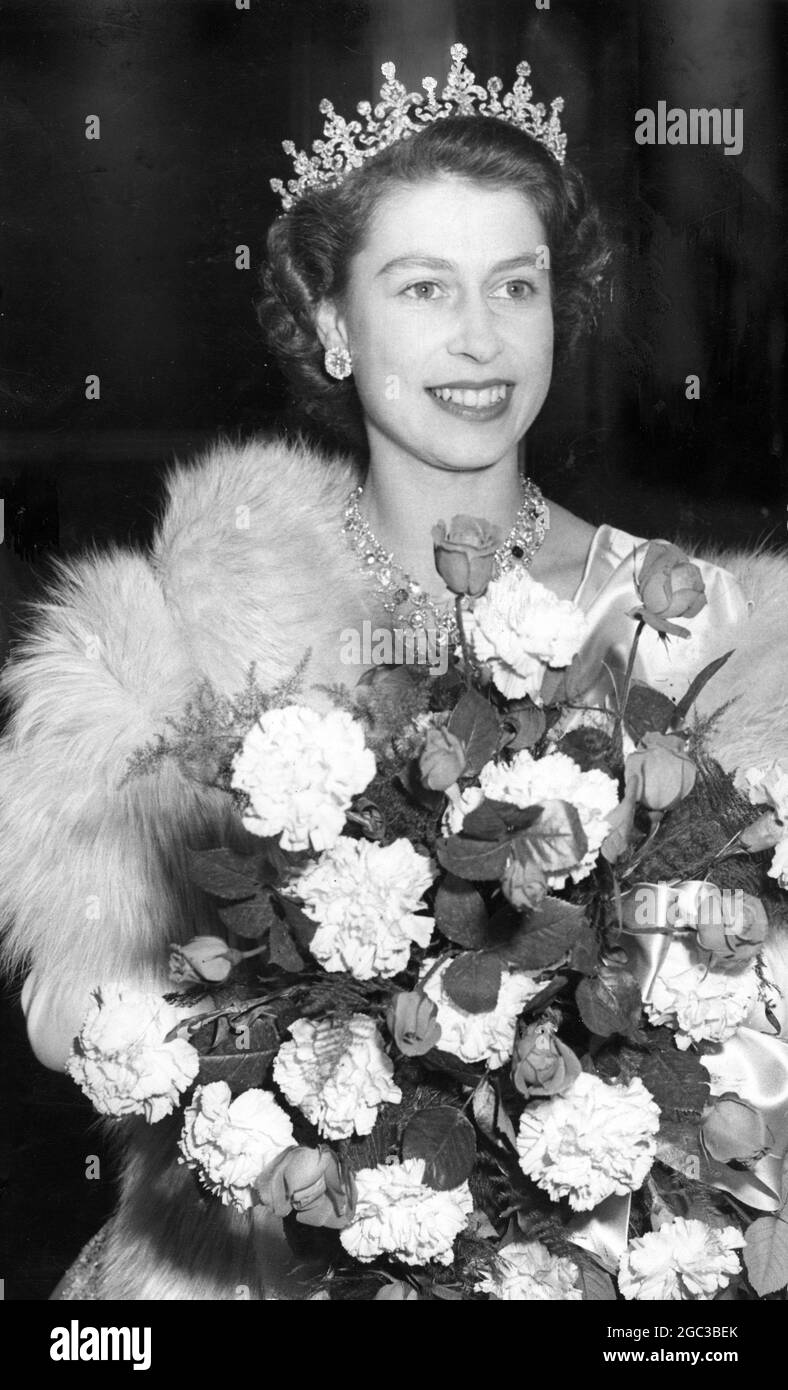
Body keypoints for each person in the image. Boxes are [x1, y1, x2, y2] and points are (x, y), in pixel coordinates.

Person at [1, 45, 787, 1300]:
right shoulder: (193, 618)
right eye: (422, 288)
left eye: (513, 285)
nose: (478, 340)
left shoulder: (693, 626)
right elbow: (80, 1001)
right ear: (328, 322)